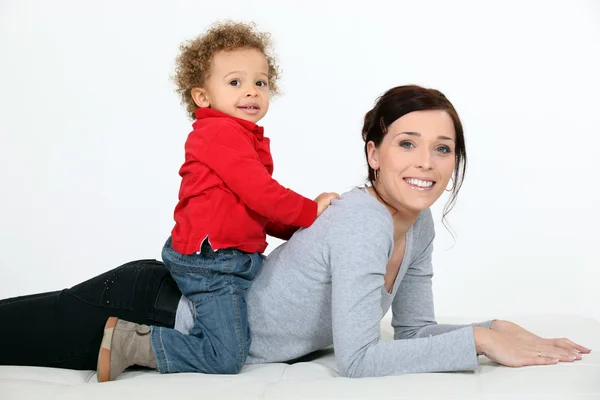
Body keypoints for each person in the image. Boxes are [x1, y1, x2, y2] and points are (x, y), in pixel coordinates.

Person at [0, 85, 590, 378]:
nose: (426, 164)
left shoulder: (421, 226)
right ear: (374, 151)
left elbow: (411, 332)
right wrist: (481, 345)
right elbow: (358, 361)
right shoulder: (363, 220)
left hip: (174, 298)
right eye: (407, 144)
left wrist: (489, 327)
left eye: (443, 149)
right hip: (152, 308)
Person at [95, 20, 338, 382]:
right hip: (212, 262)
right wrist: (308, 210)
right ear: (202, 97)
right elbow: (261, 193)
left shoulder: (241, 137)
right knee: (225, 355)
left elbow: (255, 206)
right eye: (235, 82)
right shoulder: (219, 133)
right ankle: (134, 343)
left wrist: (297, 227)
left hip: (231, 258)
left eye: (261, 82)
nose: (252, 92)